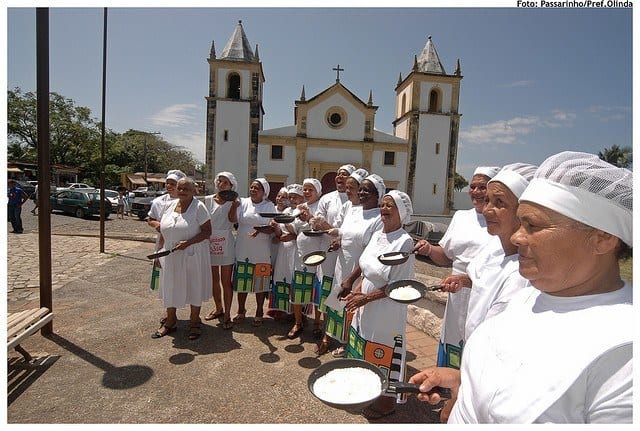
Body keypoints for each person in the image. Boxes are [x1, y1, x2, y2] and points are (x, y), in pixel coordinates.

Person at [410, 151, 632, 423]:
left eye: (533, 225)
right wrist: (465, 385)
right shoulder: (530, 298)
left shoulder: (625, 352)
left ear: (603, 239)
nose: (516, 236)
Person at [415, 166, 500, 370]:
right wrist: (428, 250)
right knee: (455, 340)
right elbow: (445, 256)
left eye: (483, 187)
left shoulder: (501, 219)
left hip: (487, 294)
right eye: (472, 186)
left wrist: (468, 280)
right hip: (457, 296)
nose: (476, 192)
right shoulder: (462, 217)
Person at [343, 190, 415, 419]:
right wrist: (357, 289)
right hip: (366, 304)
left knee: (383, 349)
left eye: (389, 206)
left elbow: (400, 284)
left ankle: (386, 403)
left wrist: (365, 298)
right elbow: (367, 267)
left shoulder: (404, 241)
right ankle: (370, 392)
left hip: (387, 309)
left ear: (401, 213)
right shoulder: (377, 235)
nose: (384, 209)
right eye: (382, 205)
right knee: (365, 344)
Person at [318, 170, 384, 357]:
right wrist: (338, 241)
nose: (362, 193)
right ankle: (338, 338)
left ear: (378, 195)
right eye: (361, 189)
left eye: (367, 191)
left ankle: (350, 345)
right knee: (339, 305)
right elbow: (345, 234)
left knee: (355, 307)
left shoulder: (378, 218)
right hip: (341, 265)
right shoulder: (353, 210)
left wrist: (351, 278)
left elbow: (371, 252)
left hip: (360, 272)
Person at [152, 177, 212, 340]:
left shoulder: (199, 207)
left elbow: (207, 232)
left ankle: (194, 322)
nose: (182, 191)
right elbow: (164, 230)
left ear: (193, 191)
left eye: (186, 189)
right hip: (170, 254)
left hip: (192, 253)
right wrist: (159, 251)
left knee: (193, 285)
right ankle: (171, 321)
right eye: (180, 188)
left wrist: (188, 243)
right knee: (170, 285)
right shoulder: (169, 206)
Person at [311, 165, 356, 338]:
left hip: (346, 256)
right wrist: (315, 223)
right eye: (338, 174)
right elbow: (317, 222)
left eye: (344, 175)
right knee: (326, 291)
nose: (340, 177)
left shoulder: (357, 204)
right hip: (327, 253)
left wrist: (328, 228)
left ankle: (342, 333)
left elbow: (348, 232)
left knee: (341, 292)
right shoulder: (327, 199)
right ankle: (325, 329)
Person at [229, 178, 276, 326]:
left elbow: (272, 227)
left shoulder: (269, 206)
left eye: (257, 188)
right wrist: (233, 206)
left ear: (264, 192)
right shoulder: (242, 202)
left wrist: (259, 230)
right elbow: (232, 219)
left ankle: (259, 311)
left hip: (261, 249)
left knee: (260, 282)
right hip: (243, 247)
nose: (253, 190)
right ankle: (241, 310)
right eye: (252, 187)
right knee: (242, 280)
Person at [285, 178, 324, 339]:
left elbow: (322, 226)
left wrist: (309, 217)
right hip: (300, 257)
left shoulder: (322, 207)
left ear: (318, 192)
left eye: (310, 190)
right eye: (305, 189)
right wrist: (283, 220)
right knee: (298, 292)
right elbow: (294, 229)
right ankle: (298, 322)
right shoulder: (299, 208)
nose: (307, 192)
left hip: (317, 258)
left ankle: (316, 323)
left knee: (316, 293)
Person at [147, 169, 185, 326]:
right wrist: (159, 225)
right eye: (168, 183)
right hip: (164, 242)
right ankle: (170, 312)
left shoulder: (188, 201)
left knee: (182, 279)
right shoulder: (159, 202)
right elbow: (150, 219)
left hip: (183, 244)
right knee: (166, 279)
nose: (169, 186)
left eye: (173, 184)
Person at [203, 171, 238, 330]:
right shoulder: (208, 200)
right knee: (213, 280)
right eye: (220, 181)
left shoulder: (234, 202)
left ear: (231, 185)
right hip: (210, 241)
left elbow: (232, 220)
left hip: (226, 242)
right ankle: (218, 308)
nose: (221, 184)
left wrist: (234, 206)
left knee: (225, 281)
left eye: (225, 182)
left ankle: (228, 314)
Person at [268, 184, 304, 320]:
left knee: (293, 279)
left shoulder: (303, 212)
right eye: (291, 197)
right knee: (281, 277)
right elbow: (280, 233)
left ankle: (297, 314)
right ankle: (282, 309)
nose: (293, 200)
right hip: (284, 250)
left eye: (296, 197)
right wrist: (276, 226)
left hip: (296, 250)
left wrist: (292, 234)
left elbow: (302, 232)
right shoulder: (287, 210)